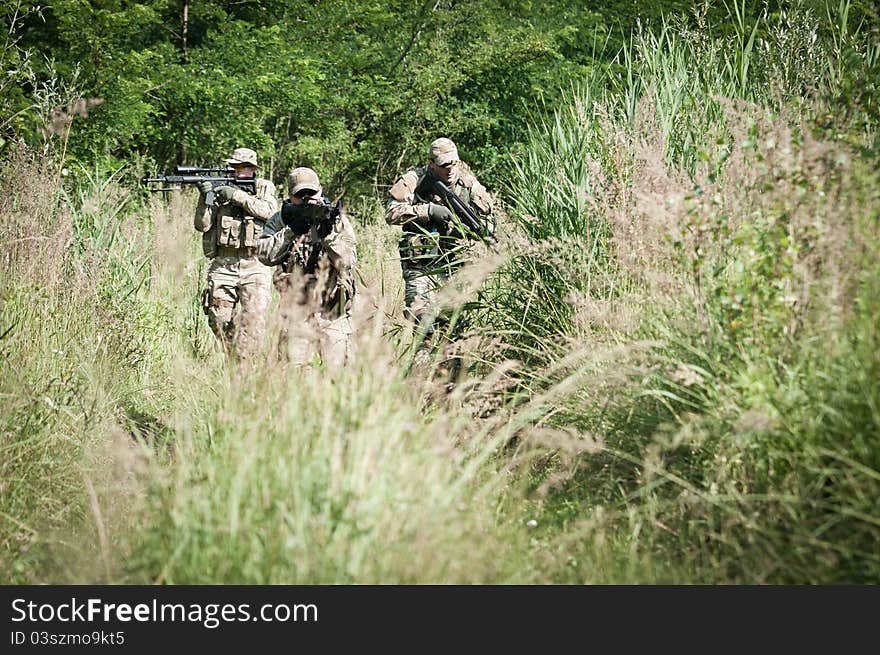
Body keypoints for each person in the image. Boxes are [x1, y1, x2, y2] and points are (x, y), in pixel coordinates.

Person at [384, 137, 495, 348]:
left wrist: (482, 231)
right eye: (444, 165)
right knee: (423, 326)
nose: (450, 169)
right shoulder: (414, 180)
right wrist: (428, 211)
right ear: (431, 163)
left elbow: (488, 218)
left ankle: (448, 377)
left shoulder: (468, 184)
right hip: (421, 265)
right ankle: (420, 375)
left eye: (454, 162)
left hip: (454, 266)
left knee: (453, 331)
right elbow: (391, 213)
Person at [257, 167, 357, 370]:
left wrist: (328, 236)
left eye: (311, 193)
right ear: (289, 196)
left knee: (339, 375)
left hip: (333, 311)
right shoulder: (281, 219)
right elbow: (264, 255)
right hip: (296, 311)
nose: (306, 199)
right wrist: (291, 230)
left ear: (320, 190)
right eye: (300, 195)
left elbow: (349, 260)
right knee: (295, 373)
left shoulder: (335, 220)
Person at [193, 146, 279, 359]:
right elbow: (202, 226)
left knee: (253, 322)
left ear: (252, 169)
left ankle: (245, 366)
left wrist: (237, 196)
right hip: (224, 263)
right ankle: (234, 355)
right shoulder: (220, 189)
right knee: (218, 317)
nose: (237, 172)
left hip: (256, 265)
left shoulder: (263, 188)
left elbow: (270, 213)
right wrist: (206, 198)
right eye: (234, 167)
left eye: (242, 168)